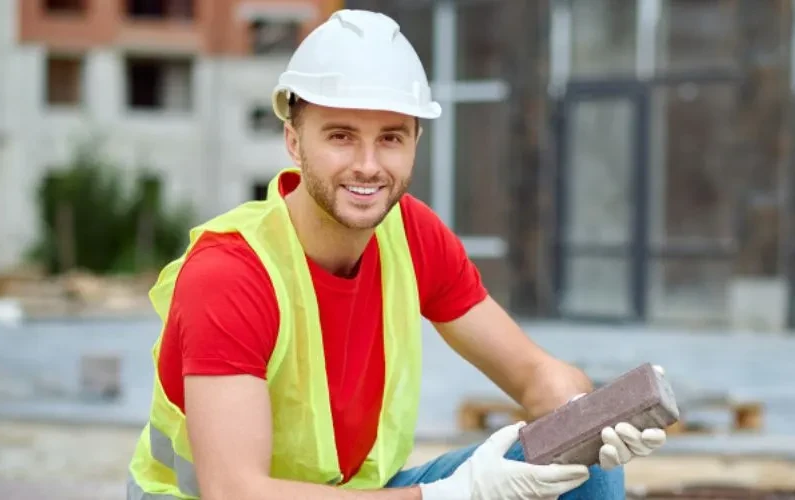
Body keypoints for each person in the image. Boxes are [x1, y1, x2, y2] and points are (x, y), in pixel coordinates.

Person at [126, 9, 667, 500]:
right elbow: (236, 492)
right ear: (294, 141)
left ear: (414, 142)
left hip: (360, 495)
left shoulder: (411, 235)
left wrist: (585, 416)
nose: (367, 165)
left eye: (390, 138)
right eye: (340, 136)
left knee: (583, 464)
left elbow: (534, 375)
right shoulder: (231, 274)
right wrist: (452, 496)